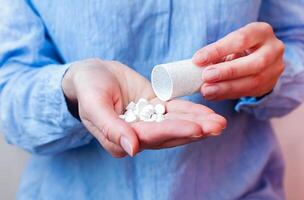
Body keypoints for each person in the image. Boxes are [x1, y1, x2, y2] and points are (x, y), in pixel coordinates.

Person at [0, 0, 303, 199]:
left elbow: (295, 39)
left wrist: (272, 71)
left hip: (239, 188)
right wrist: (72, 88)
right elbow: (9, 91)